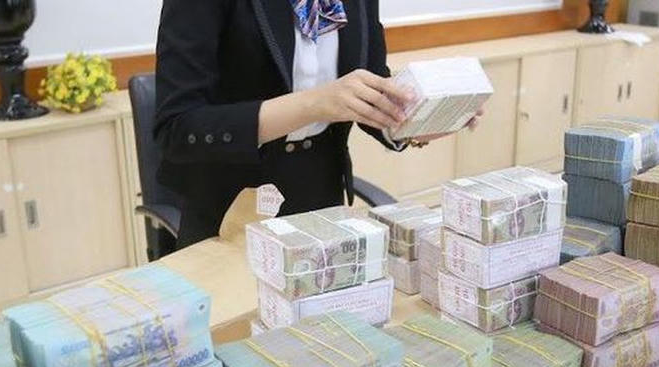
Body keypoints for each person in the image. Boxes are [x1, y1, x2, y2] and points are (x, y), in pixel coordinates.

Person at [154, 0, 481, 248]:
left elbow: (366, 87)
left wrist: (413, 121)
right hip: (229, 207)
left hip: (320, 199)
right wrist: (314, 104)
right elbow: (178, 127)